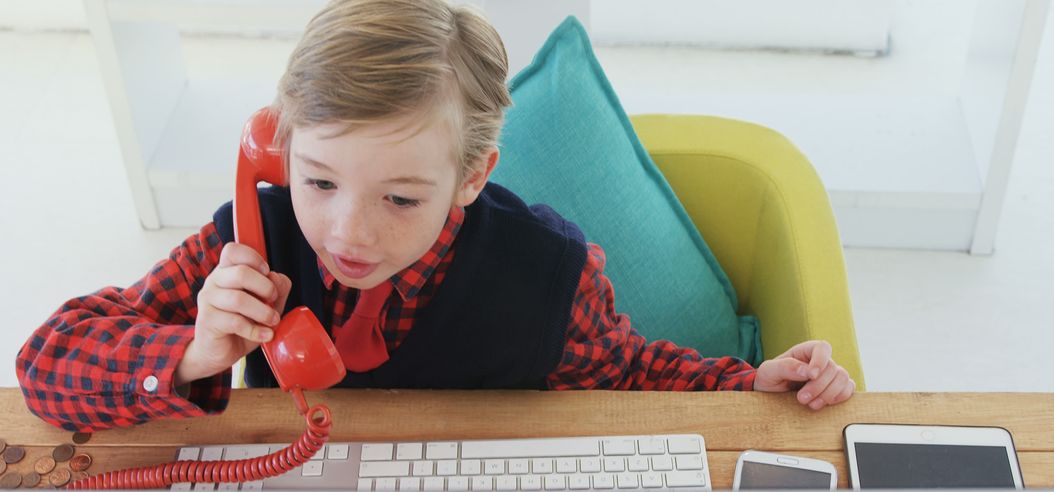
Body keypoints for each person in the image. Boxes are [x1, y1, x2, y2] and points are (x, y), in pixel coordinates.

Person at [16, 0, 854, 433]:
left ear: (470, 177)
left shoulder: (553, 274)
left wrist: (747, 380)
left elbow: (627, 373)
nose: (347, 232)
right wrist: (196, 352)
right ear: (275, 152)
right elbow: (47, 363)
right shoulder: (251, 240)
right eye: (318, 181)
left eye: (401, 198)